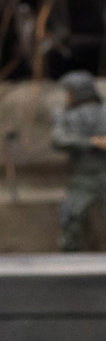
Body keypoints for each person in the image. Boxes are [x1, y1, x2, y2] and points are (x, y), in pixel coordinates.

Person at [55, 71, 105, 252]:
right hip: (83, 177)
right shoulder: (67, 116)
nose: (68, 97)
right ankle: (72, 254)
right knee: (71, 216)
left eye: (70, 92)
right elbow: (58, 139)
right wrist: (91, 142)